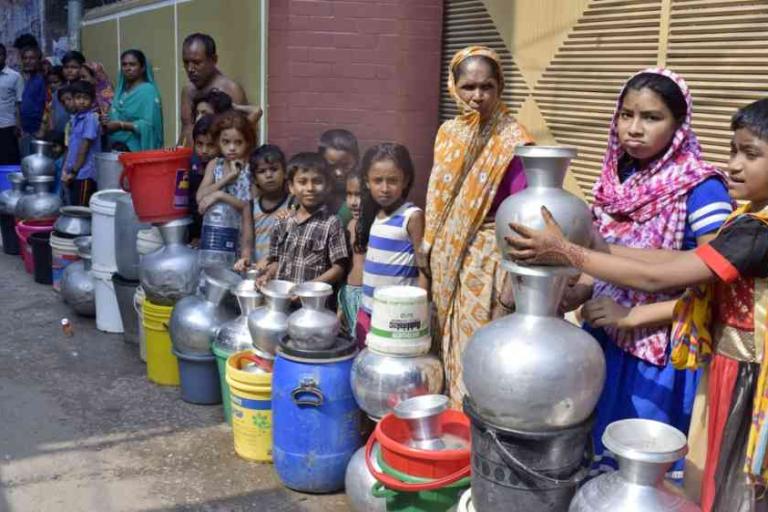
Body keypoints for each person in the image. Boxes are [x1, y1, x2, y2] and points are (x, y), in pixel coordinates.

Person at [507, 98, 768, 512]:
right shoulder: (746, 218)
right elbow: (662, 260)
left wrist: (569, 254)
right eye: (734, 150)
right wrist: (585, 249)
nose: (733, 165)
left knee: (733, 480)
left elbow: (662, 277)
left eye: (750, 155)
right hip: (721, 363)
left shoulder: (755, 231)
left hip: (745, 378)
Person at [561, 69, 732, 480]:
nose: (633, 129)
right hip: (606, 342)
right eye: (626, 115)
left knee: (644, 477)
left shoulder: (701, 189)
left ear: (678, 125)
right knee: (595, 468)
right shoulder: (616, 181)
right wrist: (578, 292)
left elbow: (718, 288)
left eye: (651, 118)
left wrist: (634, 315)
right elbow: (601, 262)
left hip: (663, 357)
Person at [422, 46, 533, 406]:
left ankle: (472, 423)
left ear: (500, 87)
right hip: (444, 253)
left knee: (476, 343)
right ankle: (448, 420)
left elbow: (522, 211)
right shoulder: (448, 134)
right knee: (443, 336)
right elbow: (436, 194)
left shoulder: (513, 140)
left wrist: (510, 279)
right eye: (468, 87)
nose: (477, 97)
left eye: (487, 86)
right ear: (454, 88)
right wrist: (427, 245)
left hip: (487, 257)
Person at [355, 143, 427, 346]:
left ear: (406, 181)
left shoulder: (411, 216)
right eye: (378, 180)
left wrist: (419, 312)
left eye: (393, 181)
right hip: (368, 309)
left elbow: (424, 269)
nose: (385, 188)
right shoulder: (374, 215)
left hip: (396, 316)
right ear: (367, 182)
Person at [257, 152, 349, 287]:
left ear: (328, 186)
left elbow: (338, 269)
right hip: (282, 299)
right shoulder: (282, 221)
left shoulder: (332, 223)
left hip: (312, 303)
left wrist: (306, 289)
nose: (310, 188)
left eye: (317, 181)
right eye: (302, 182)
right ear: (291, 187)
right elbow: (276, 262)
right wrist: (268, 275)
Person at [196, 109, 253, 261]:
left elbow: (250, 207)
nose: (232, 148)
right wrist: (226, 178)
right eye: (226, 142)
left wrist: (219, 195)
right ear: (218, 142)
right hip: (217, 237)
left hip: (244, 236)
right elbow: (200, 197)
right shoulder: (215, 165)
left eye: (238, 142)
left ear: (247, 143)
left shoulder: (252, 167)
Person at [179, 33, 247, 146]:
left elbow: (243, 136)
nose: (190, 69)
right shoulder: (187, 90)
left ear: (214, 60)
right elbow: (185, 131)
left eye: (197, 62)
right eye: (186, 62)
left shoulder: (232, 90)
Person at [234, 144, 292, 272]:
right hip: (258, 269)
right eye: (262, 171)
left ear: (285, 173)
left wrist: (270, 258)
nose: (269, 175)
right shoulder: (250, 206)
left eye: (274, 169)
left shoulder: (293, 203)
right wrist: (245, 258)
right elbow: (247, 241)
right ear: (254, 179)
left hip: (283, 268)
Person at [101, 49, 163, 152]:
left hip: (137, 150)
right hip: (115, 149)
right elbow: (115, 114)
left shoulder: (147, 91)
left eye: (132, 65)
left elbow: (149, 125)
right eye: (124, 65)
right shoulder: (121, 92)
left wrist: (121, 125)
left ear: (142, 68)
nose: (127, 68)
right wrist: (106, 121)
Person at [61, 80, 101, 207]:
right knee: (75, 207)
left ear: (92, 100)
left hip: (85, 174)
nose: (82, 101)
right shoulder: (75, 119)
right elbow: (71, 148)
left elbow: (84, 147)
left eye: (86, 98)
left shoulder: (90, 119)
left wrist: (73, 171)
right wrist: (66, 170)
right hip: (75, 173)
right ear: (72, 99)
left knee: (82, 211)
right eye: (78, 98)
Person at [339, 170, 364, 338]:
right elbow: (346, 265)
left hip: (367, 299)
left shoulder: (376, 226)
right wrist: (341, 305)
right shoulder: (350, 225)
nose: (353, 202)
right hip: (348, 295)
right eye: (349, 195)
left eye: (359, 195)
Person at [319, 128, 359, 225]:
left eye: (346, 165)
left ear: (357, 161)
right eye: (331, 166)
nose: (339, 173)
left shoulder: (363, 196)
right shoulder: (313, 190)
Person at [189, 114, 219, 241]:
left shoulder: (223, 168)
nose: (204, 150)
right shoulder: (190, 165)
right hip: (191, 233)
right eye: (199, 144)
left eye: (210, 145)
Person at [19, 45, 46, 154]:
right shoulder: (27, 79)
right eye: (25, 58)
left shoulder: (43, 80)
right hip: (26, 131)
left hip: (38, 131)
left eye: (32, 58)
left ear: (39, 60)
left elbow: (48, 106)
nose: (27, 61)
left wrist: (42, 129)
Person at [0, 44, 23, 165]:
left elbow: (19, 102)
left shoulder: (15, 76)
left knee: (8, 161)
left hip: (7, 127)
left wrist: (18, 125)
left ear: (4, 56)